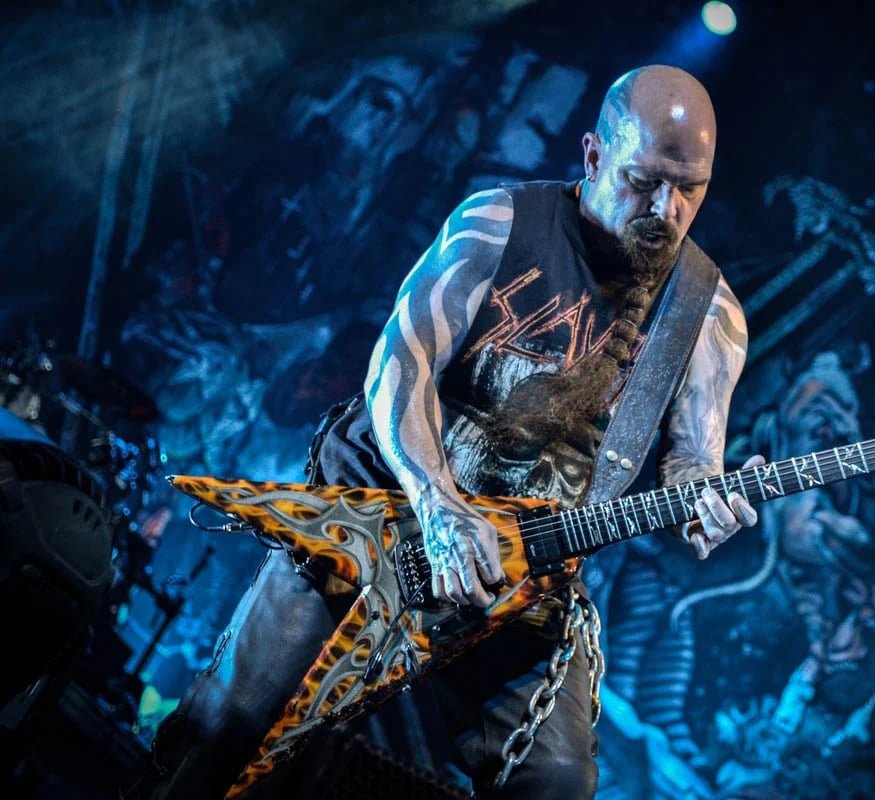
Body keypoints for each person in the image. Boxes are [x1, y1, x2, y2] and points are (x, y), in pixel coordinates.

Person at [139, 64, 760, 800]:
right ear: (594, 155)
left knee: (557, 782)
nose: (667, 207)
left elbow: (694, 460)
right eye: (645, 180)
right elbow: (398, 365)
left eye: (690, 188)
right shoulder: (498, 223)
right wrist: (438, 506)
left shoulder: (708, 317)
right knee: (230, 724)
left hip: (519, 577)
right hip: (381, 518)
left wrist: (704, 501)